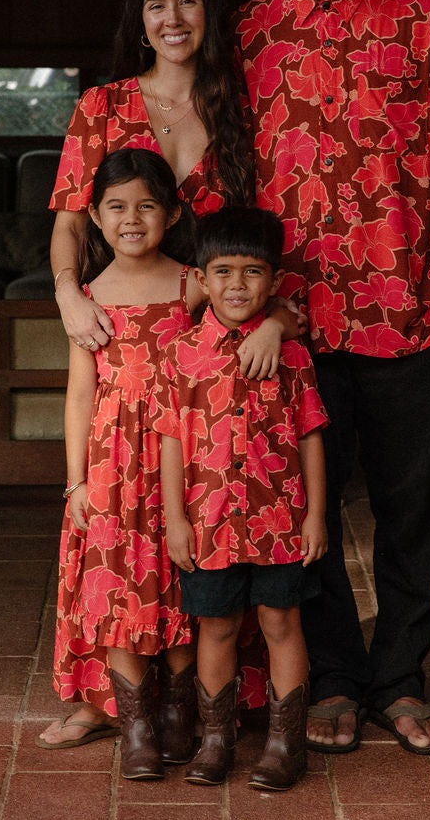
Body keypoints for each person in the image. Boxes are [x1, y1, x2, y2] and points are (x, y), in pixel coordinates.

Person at [235, 0, 430, 758]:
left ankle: (401, 679)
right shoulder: (250, 32)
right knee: (308, 506)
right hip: (296, 324)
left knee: (409, 509)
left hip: (413, 311)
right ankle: (338, 677)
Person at [40, 148, 286, 769]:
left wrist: (275, 325)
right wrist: (76, 482)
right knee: (120, 583)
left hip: (186, 460)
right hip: (113, 465)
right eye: (116, 207)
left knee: (183, 578)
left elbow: (257, 310)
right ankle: (136, 726)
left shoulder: (191, 284)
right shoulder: (88, 298)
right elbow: (80, 394)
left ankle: (181, 710)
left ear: (173, 214)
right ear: (95, 217)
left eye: (147, 206)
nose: (132, 219)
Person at [160, 206, 327, 790]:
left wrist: (315, 517)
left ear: (274, 280)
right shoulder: (181, 355)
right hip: (208, 525)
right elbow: (172, 442)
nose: (237, 285)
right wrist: (175, 520)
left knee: (281, 620)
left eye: (252, 272)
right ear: (201, 280)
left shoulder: (293, 354)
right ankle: (215, 740)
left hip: (279, 519)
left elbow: (310, 436)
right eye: (223, 272)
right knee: (217, 626)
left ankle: (285, 745)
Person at [49, 0, 254, 357]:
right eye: (157, 5)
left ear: (208, 13)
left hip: (225, 323)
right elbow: (70, 224)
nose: (172, 19)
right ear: (142, 22)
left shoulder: (240, 109)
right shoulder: (101, 106)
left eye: (187, 1)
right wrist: (68, 296)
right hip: (123, 324)